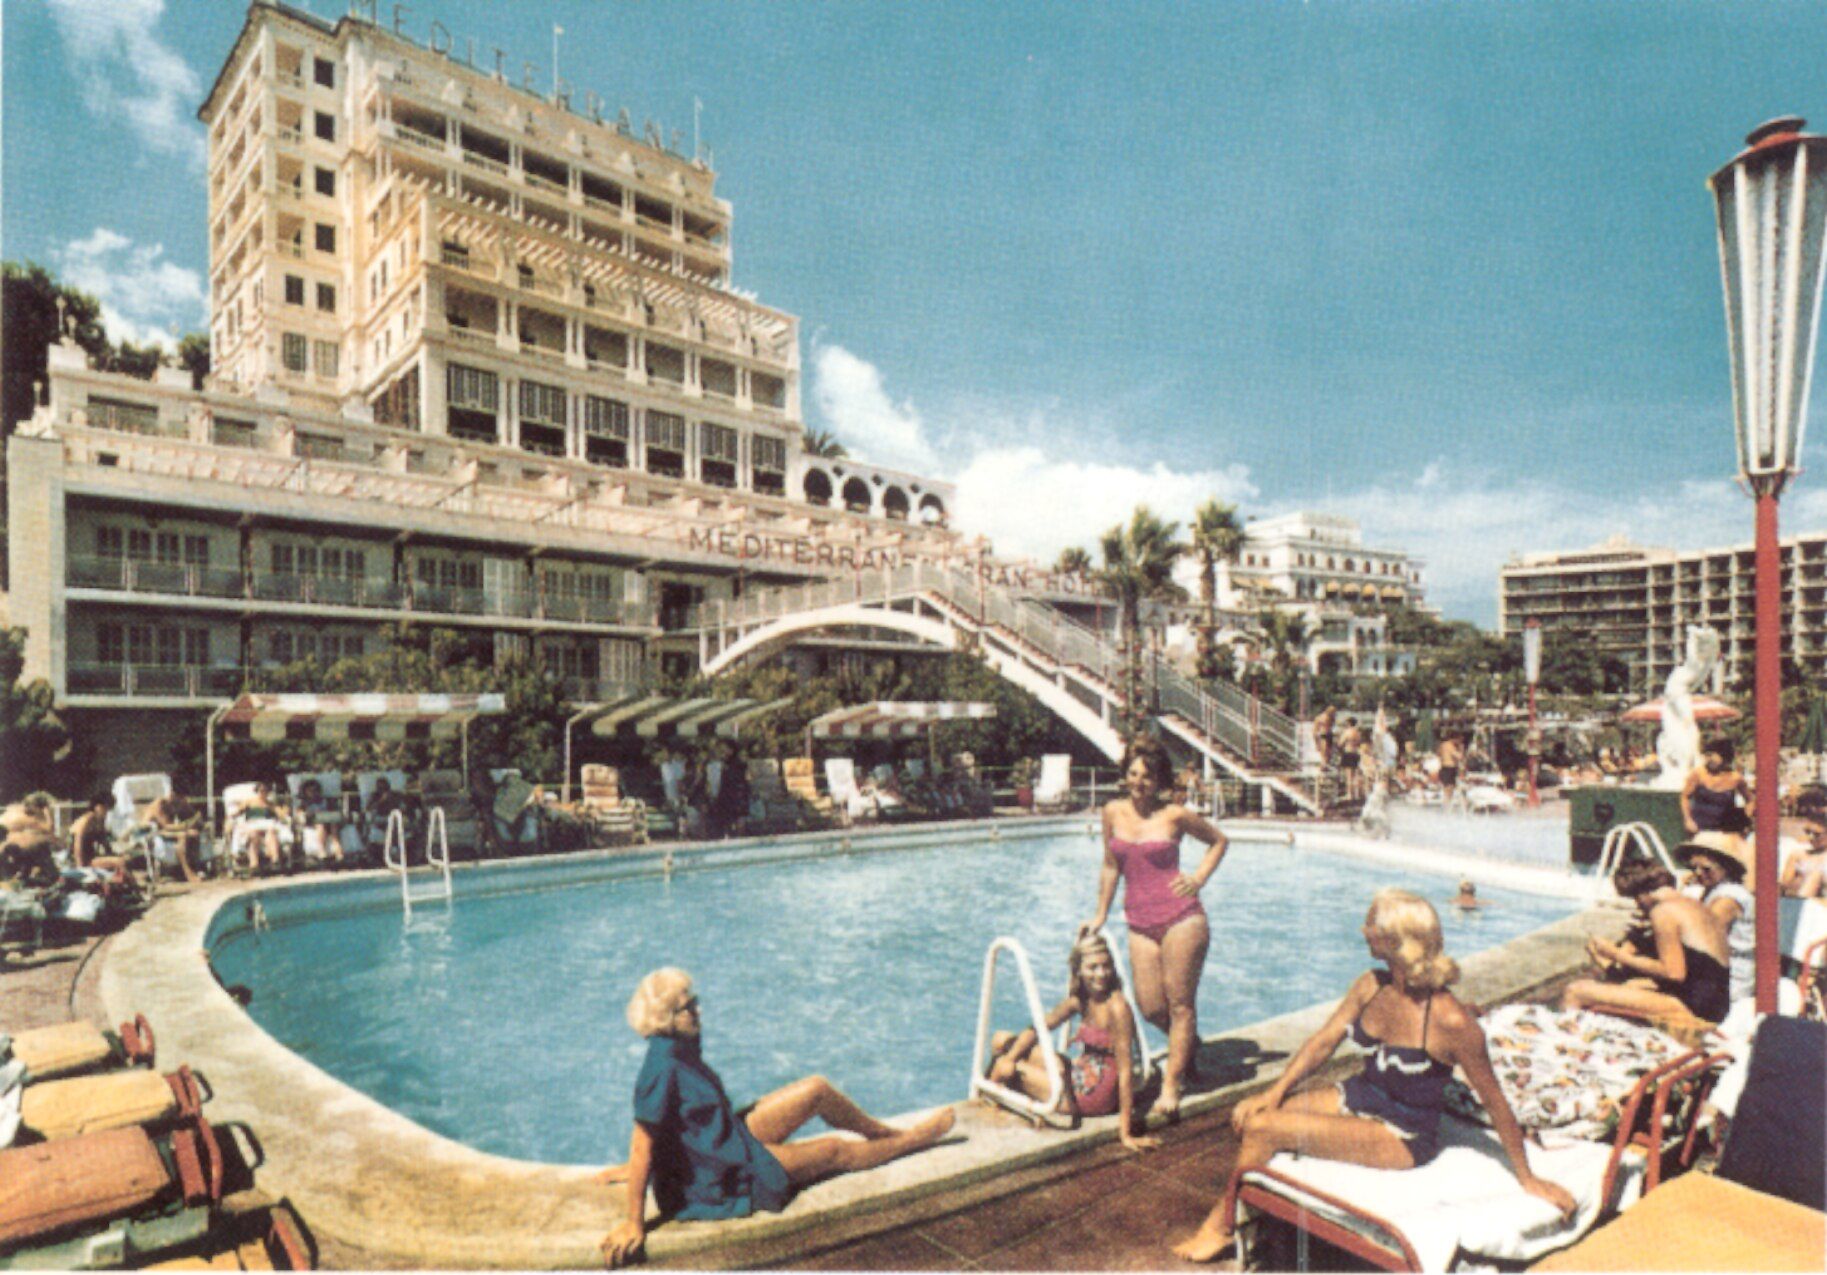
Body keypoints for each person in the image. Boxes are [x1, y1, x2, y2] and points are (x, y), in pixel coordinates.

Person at [1172, 889, 1574, 1262]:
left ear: (1397, 941)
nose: (1363, 930)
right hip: (1361, 1095)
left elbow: (1495, 1101)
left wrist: (1528, 1178)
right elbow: (1324, 1041)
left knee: (1265, 1131)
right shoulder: (1371, 985)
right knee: (1252, 1118)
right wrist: (1274, 1092)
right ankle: (1258, 1216)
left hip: (1403, 1134)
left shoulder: (1451, 1021)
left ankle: (1223, 1226)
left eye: (1371, 925)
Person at [598, 969, 956, 1268]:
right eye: (687, 1007)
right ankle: (913, 1141)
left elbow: (668, 1128)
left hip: (724, 1137)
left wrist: (635, 1165)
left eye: (694, 1001)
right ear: (667, 1020)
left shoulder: (681, 1046)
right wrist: (634, 1222)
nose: (697, 1010)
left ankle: (880, 1131)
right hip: (717, 1178)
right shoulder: (661, 1068)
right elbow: (643, 1142)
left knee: (816, 1089)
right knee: (834, 1151)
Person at [1084, 737, 1229, 1119]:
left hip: (1182, 917)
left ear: (1159, 779)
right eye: (1132, 774)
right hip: (1139, 922)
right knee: (1150, 1008)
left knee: (1181, 1004)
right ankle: (1189, 1049)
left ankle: (1172, 1084)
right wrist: (1100, 914)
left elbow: (1218, 841)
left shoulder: (1175, 816)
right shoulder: (1112, 811)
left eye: (1147, 776)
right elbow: (1111, 865)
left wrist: (1197, 879)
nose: (1138, 783)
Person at [984, 929, 1160, 1152]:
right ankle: (999, 1083)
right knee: (1001, 1041)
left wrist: (1125, 1133)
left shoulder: (1117, 1008)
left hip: (1093, 1095)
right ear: (1078, 971)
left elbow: (1125, 1072)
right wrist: (1010, 1056)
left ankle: (990, 1095)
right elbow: (1039, 1027)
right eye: (1092, 967)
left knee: (1009, 1070)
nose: (1101, 974)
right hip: (1078, 1073)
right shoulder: (1080, 1001)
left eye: (1106, 966)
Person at [1563, 859, 1731, 1025]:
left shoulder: (1663, 912)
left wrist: (1616, 954)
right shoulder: (1694, 906)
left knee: (1576, 991)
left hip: (1696, 1008)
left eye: (1636, 899)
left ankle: (1567, 1042)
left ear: (1643, 893)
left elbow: (1674, 973)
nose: (1639, 905)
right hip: (1715, 1004)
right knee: (1628, 985)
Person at [1676, 833, 1754, 1006]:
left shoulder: (1730, 897)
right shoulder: (1712, 890)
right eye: (1693, 868)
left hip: (1731, 977)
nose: (1698, 874)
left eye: (1706, 869)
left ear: (1726, 867)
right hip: (1714, 969)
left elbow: (1703, 934)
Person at [1681, 737, 1753, 837]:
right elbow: (1685, 797)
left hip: (1726, 832)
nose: (1708, 759)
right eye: (1706, 755)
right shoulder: (1698, 774)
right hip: (1700, 829)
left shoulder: (1736, 778)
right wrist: (1688, 820)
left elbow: (1750, 800)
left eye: (1712, 755)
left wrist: (1743, 820)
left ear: (1724, 755)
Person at [144, 790, 205, 881]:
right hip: (152, 833)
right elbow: (166, 826)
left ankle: (195, 869)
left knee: (193, 834)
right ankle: (188, 873)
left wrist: (194, 822)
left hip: (164, 831)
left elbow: (191, 817)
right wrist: (186, 826)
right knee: (183, 836)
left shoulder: (176, 803)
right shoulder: (159, 804)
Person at [1780, 787, 1827, 899]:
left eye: (1816, 834)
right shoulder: (1798, 855)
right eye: (1807, 832)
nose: (1810, 838)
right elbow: (1785, 887)